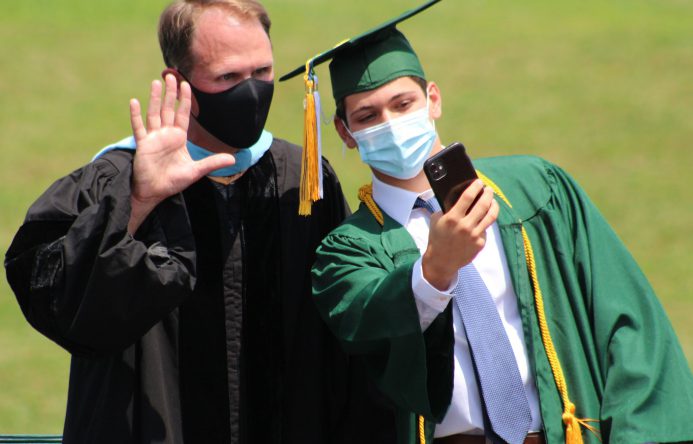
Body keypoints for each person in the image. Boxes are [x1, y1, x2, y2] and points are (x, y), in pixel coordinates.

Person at [280, 1, 693, 443]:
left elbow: (627, 327)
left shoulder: (536, 190)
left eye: (403, 103)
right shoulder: (348, 250)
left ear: (433, 99)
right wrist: (434, 271)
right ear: (344, 132)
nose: (391, 123)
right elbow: (367, 324)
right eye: (368, 116)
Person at [3, 0, 395, 442]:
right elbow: (47, 292)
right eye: (228, 77)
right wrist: (138, 201)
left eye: (262, 73)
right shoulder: (117, 179)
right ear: (179, 82)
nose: (251, 91)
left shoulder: (300, 178)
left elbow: (344, 335)